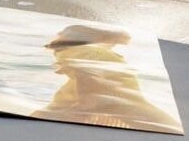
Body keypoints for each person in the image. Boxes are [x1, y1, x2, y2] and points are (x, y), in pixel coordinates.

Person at [37, 25, 178, 132]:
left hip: (114, 98)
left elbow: (88, 81)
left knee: (153, 120)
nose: (56, 35)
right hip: (120, 96)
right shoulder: (91, 51)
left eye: (60, 34)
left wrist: (83, 107)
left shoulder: (74, 52)